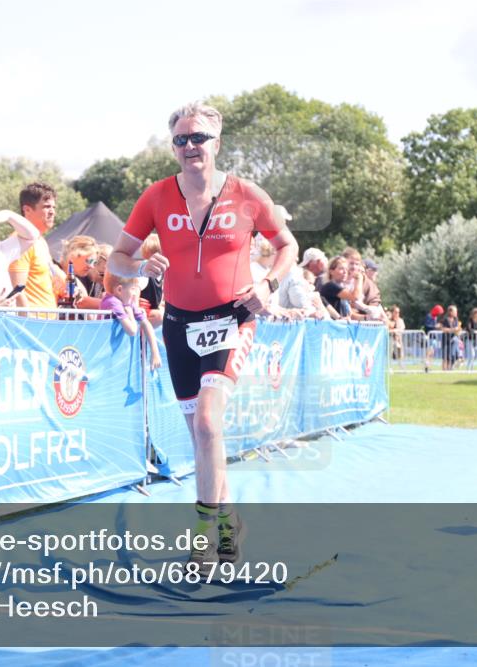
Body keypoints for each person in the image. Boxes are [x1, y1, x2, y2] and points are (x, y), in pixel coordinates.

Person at [107, 102, 297, 572]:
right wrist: (138, 266)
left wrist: (268, 284)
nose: (190, 146)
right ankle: (231, 521)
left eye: (199, 138)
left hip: (232, 317)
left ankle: (205, 536)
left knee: (210, 423)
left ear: (218, 143)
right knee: (201, 436)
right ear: (173, 147)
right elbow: (115, 261)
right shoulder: (155, 197)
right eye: (181, 139)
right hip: (179, 325)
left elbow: (287, 245)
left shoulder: (247, 193)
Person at [8, 182, 61, 315]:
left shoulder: (41, 241)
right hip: (33, 325)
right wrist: (29, 322)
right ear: (27, 210)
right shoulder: (20, 241)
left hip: (46, 323)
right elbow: (17, 290)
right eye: (46, 207)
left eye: (53, 207)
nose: (52, 212)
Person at [101, 272, 162, 372]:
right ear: (119, 290)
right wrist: (130, 313)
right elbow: (132, 331)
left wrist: (155, 352)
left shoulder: (126, 302)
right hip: (105, 354)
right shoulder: (112, 302)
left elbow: (146, 324)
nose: (135, 294)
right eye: (133, 289)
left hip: (117, 355)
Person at [138, 234, 165, 327]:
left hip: (149, 313)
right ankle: (140, 336)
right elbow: (133, 291)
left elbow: (158, 301)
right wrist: (135, 301)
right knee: (159, 316)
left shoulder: (162, 276)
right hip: (140, 313)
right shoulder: (144, 275)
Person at [439, 304, 462, 370]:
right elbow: (441, 328)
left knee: (451, 356)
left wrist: (457, 330)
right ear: (450, 312)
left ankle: (449, 369)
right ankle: (444, 370)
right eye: (455, 311)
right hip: (446, 340)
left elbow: (458, 329)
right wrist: (451, 330)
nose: (456, 313)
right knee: (445, 357)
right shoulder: (444, 319)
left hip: (453, 340)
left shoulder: (456, 320)